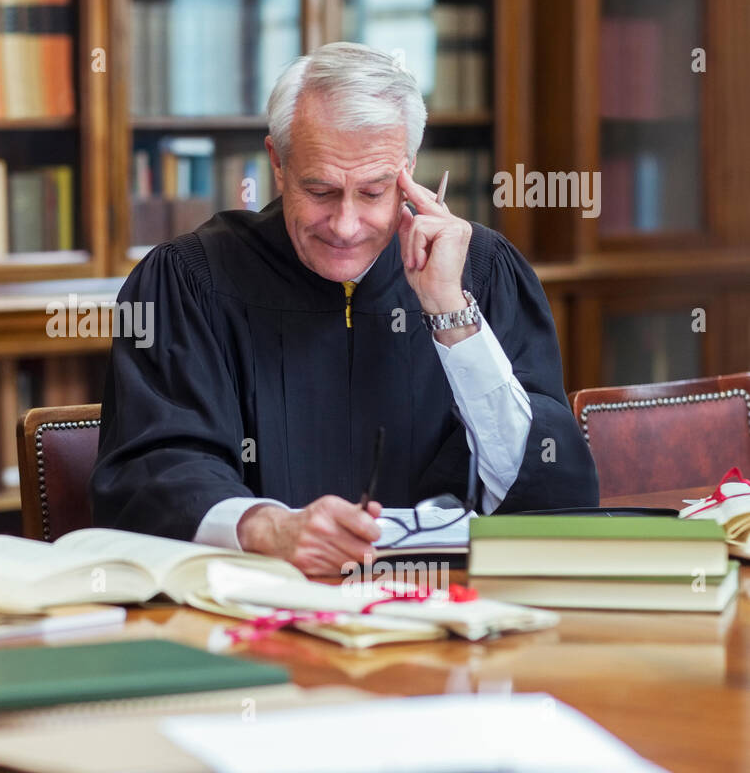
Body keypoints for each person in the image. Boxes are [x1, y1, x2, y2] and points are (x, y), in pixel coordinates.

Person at [90, 42, 598, 574]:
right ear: (278, 162)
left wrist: (452, 314)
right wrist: (268, 528)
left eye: (375, 191)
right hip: (259, 616)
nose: (346, 225)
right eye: (321, 190)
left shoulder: (483, 272)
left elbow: (552, 491)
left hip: (447, 611)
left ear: (410, 169)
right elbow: (152, 472)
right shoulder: (190, 281)